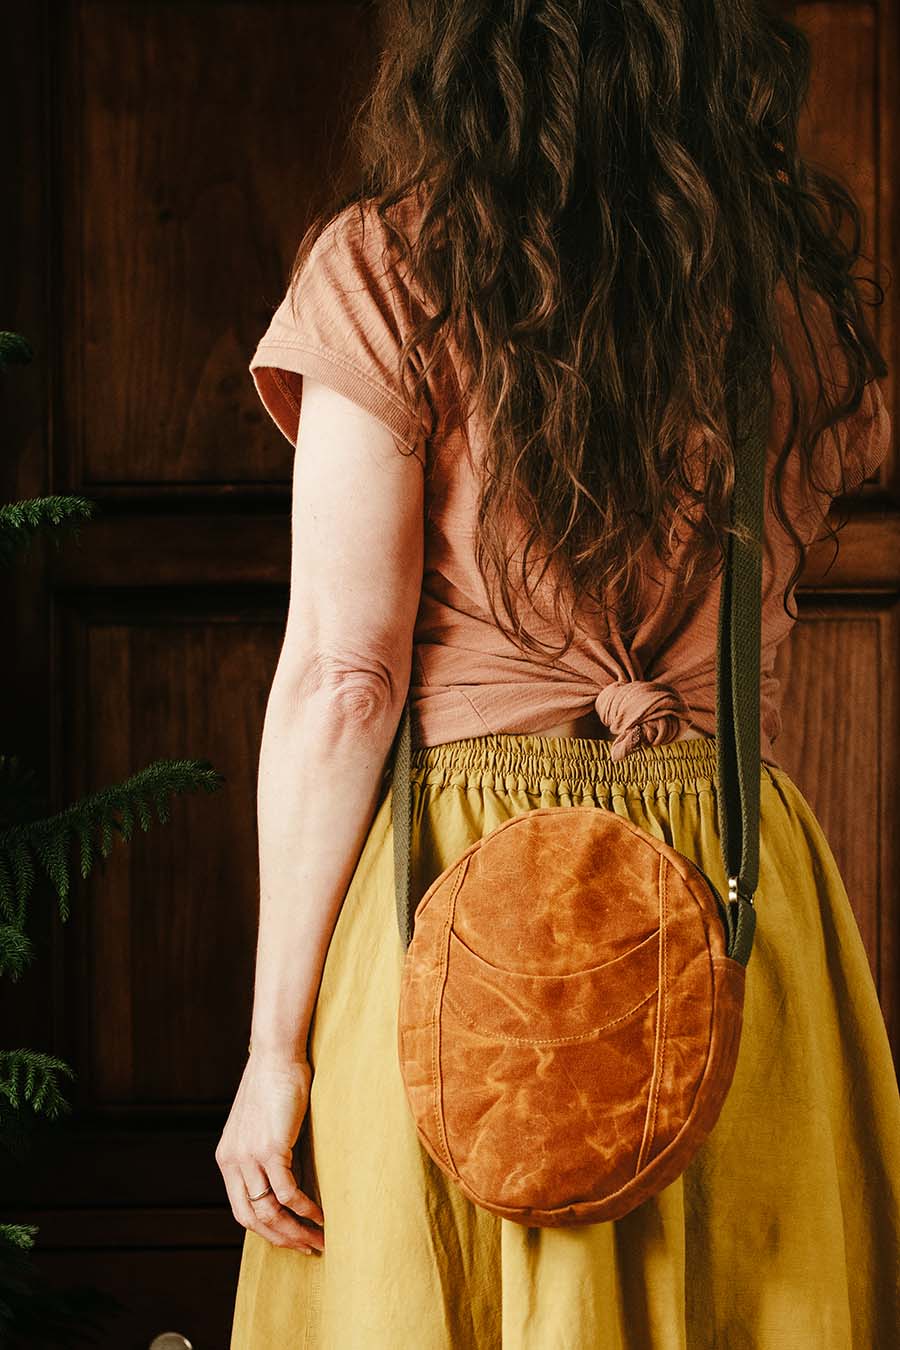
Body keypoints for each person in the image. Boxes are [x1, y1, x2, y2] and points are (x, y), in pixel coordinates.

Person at [219, 2, 900, 1345]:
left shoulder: (390, 268)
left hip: (461, 896)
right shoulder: (794, 297)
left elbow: (346, 678)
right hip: (730, 885)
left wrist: (273, 1051)